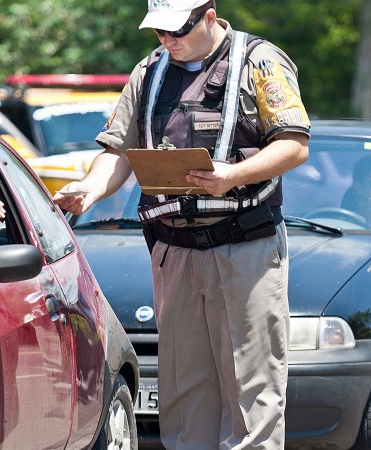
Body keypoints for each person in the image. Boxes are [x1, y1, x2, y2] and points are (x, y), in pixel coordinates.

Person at [53, 1, 310, 448]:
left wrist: (232, 176)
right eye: (159, 33)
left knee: (252, 393)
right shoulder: (149, 70)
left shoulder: (259, 61)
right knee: (185, 393)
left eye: (178, 31)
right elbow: (118, 151)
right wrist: (91, 189)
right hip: (175, 251)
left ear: (209, 17)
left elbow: (294, 145)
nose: (168, 41)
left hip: (245, 246)